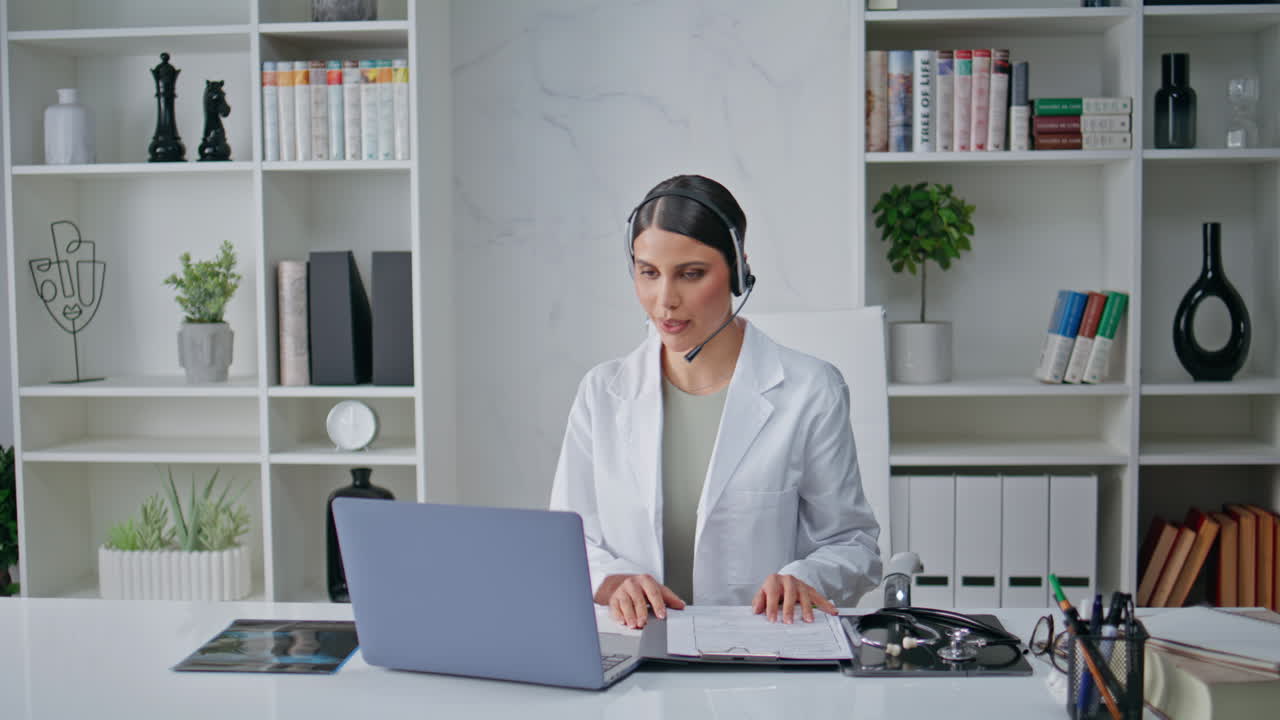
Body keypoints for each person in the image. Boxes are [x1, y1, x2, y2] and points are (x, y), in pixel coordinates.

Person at [549, 174, 881, 630]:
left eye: (691, 274)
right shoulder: (601, 393)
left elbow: (853, 544)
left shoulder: (811, 390)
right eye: (648, 273)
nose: (665, 300)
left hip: (759, 654)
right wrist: (612, 582)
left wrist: (805, 578)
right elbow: (568, 543)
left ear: (739, 272)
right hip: (635, 655)